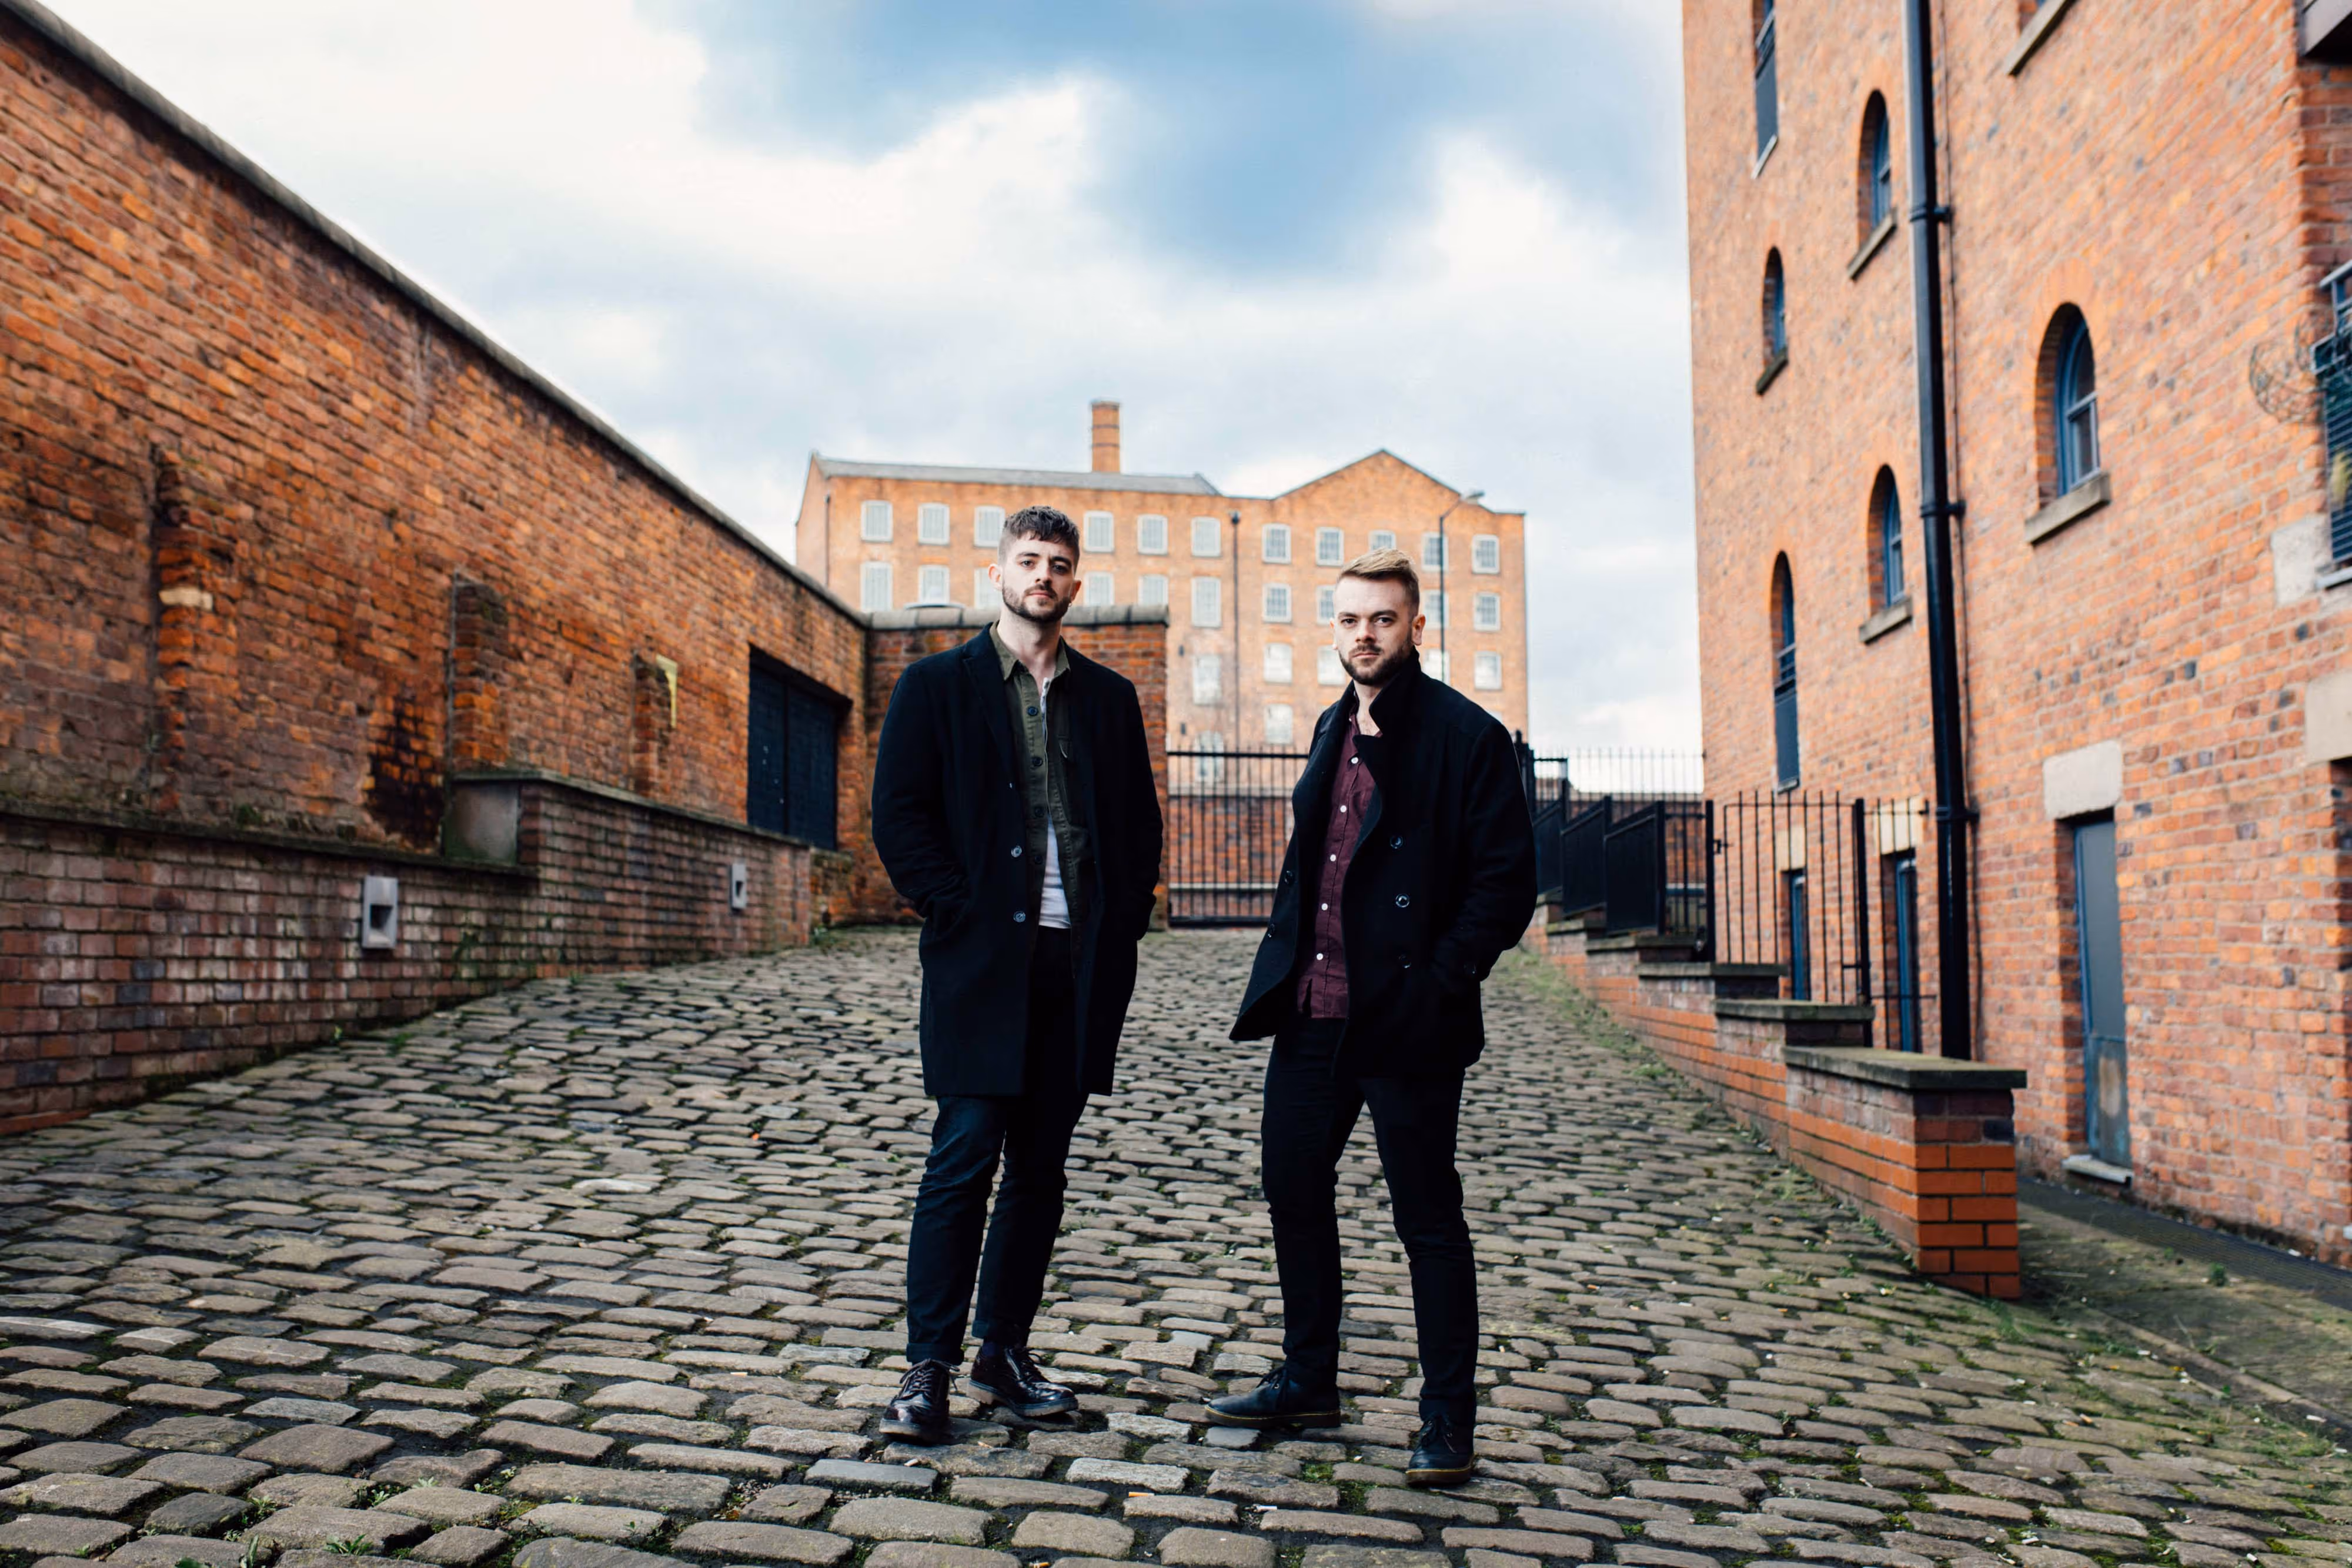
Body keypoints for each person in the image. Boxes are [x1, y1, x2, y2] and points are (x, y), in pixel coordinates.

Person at [1210, 547, 1537, 1487]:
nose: (1365, 634)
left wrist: (1440, 979)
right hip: (1317, 1011)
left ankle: (1447, 1420)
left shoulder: (1467, 736)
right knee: (1293, 1184)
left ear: (1417, 625)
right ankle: (1310, 1378)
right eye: (1351, 619)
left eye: (1383, 619)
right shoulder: (1328, 724)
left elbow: (1505, 883)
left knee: (1427, 1217)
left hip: (1407, 1020)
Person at [869, 503, 1163, 1445]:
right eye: (1029, 558)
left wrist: (1114, 929)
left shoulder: (1109, 700)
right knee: (963, 1159)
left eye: (1060, 562)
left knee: (1040, 1170)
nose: (1044, 573)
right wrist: (955, 912)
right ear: (998, 572)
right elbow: (900, 818)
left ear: (1076, 583)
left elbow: (1139, 828)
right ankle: (929, 1367)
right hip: (980, 965)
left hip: (1073, 969)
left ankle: (1003, 1350)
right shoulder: (935, 687)